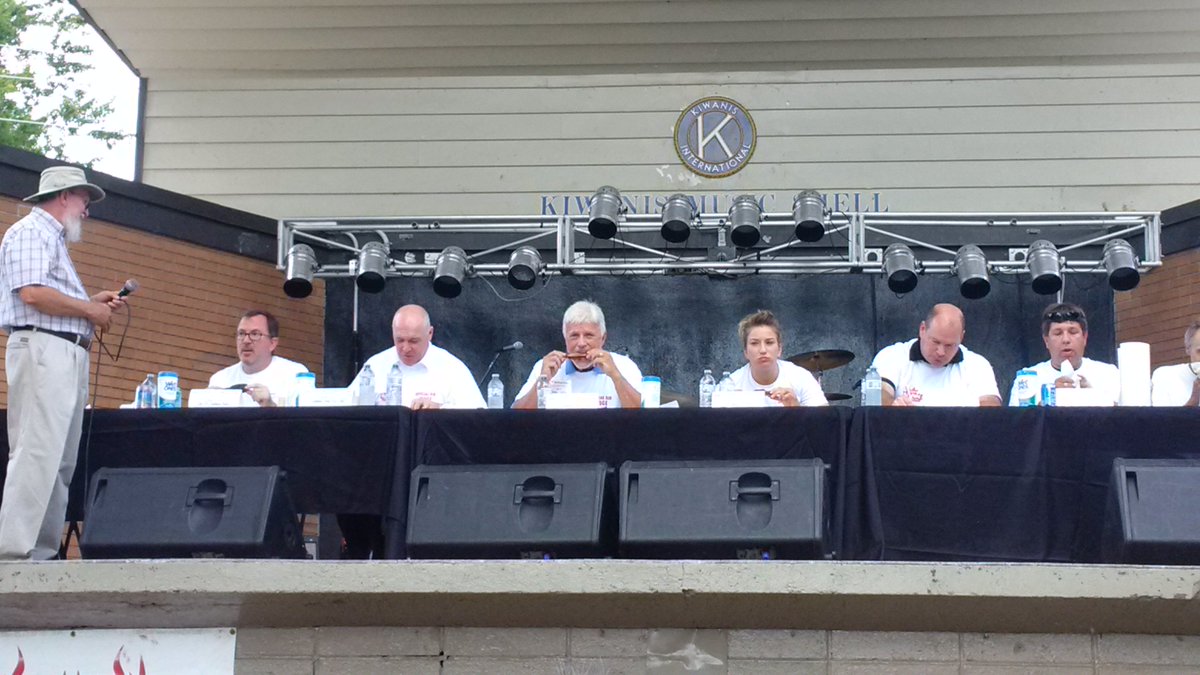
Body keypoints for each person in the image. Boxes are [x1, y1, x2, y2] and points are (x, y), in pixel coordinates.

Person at [0, 165, 125, 560]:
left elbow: (44, 295)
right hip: (44, 349)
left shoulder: (49, 238)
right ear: (65, 196)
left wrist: (89, 305)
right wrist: (89, 309)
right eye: (84, 200)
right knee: (37, 453)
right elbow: (32, 294)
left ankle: (40, 555)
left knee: (58, 460)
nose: (87, 210)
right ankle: (15, 556)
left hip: (61, 350)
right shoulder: (31, 232)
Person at [348, 304, 485, 410]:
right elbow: (346, 405)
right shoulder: (376, 365)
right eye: (399, 340)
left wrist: (441, 410)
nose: (405, 348)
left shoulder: (452, 368)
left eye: (413, 341)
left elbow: (478, 413)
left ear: (430, 333)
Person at [513, 300, 642, 409]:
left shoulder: (624, 366)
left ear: (603, 338)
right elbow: (517, 419)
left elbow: (642, 416)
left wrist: (616, 376)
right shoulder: (545, 367)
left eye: (589, 335)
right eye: (574, 336)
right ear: (565, 339)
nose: (581, 344)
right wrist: (543, 380)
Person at [870, 302, 1002, 407]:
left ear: (961, 337)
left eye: (949, 345)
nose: (941, 352)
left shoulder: (978, 365)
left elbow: (991, 407)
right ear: (922, 329)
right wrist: (891, 409)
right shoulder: (892, 356)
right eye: (935, 342)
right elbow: (878, 394)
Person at [1008, 302, 1121, 406]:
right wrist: (1050, 398)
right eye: (1058, 333)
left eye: (1073, 332)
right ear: (1046, 341)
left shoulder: (1108, 374)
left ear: (1085, 337)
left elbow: (1124, 415)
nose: (1066, 340)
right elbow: (1016, 419)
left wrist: (1092, 397)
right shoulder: (1027, 380)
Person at [208, 310, 310, 406]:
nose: (246, 341)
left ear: (272, 343)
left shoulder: (296, 375)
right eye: (241, 334)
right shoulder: (220, 379)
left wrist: (270, 406)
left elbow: (305, 418)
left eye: (255, 334)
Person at [727, 310, 827, 407]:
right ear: (745, 352)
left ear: (779, 349)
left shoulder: (801, 377)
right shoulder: (731, 384)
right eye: (754, 343)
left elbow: (823, 416)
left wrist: (796, 408)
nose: (763, 350)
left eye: (769, 342)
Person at [1151, 318, 1200, 407]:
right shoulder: (1166, 376)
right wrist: (1193, 400)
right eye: (1199, 351)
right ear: (1188, 349)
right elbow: (1161, 415)